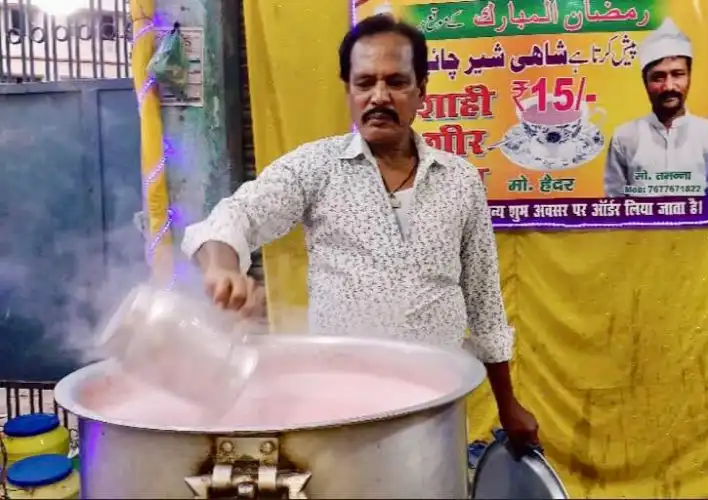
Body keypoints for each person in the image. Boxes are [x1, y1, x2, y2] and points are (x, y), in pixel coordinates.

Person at [181, 14, 539, 453]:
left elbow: (485, 304)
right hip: (340, 412)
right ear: (348, 92)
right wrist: (221, 268)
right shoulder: (316, 168)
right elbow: (235, 215)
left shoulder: (460, 180)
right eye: (364, 82)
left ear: (421, 91)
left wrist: (508, 405)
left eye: (396, 81)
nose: (379, 97)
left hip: (435, 407)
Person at [603, 17, 708, 198]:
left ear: (689, 76)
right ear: (645, 81)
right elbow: (615, 206)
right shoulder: (624, 137)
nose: (669, 86)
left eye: (677, 74)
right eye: (658, 77)